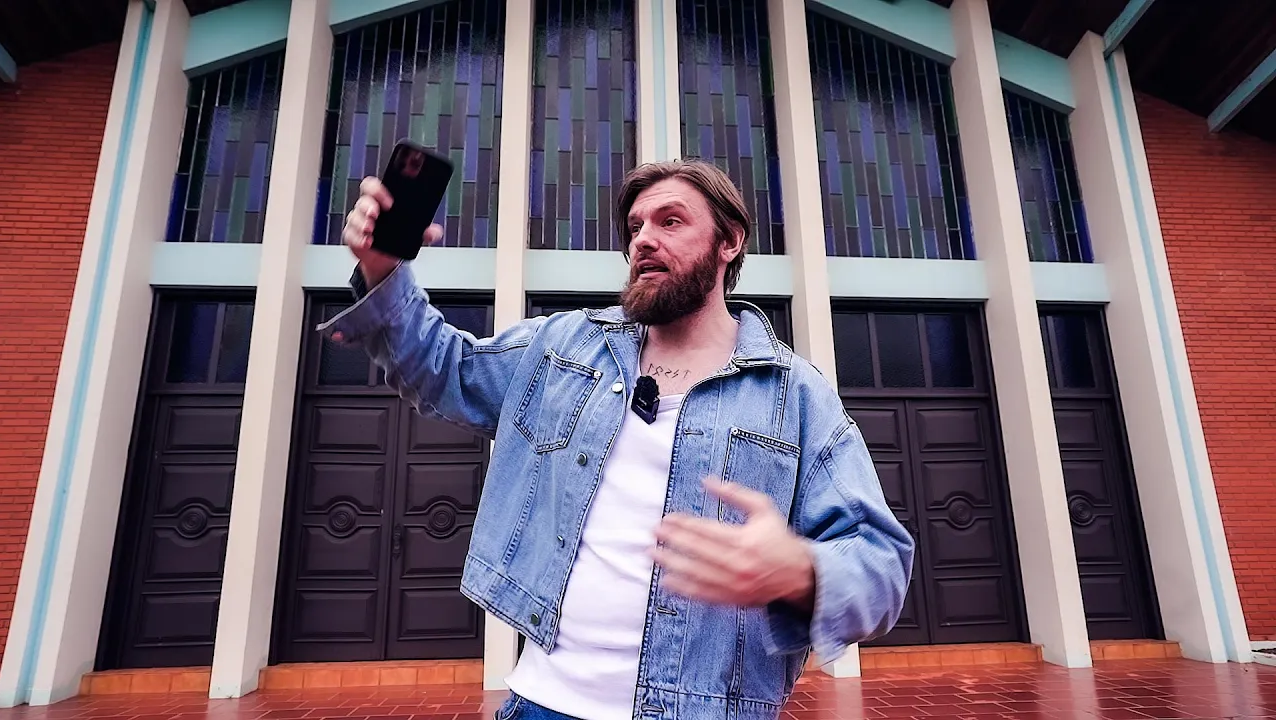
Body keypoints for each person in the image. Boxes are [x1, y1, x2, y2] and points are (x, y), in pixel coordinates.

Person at [321, 159, 914, 720]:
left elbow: (882, 564)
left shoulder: (794, 393)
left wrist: (800, 570)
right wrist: (382, 268)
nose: (643, 240)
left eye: (670, 221)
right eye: (635, 227)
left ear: (729, 241)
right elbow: (446, 370)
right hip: (542, 704)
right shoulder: (564, 348)